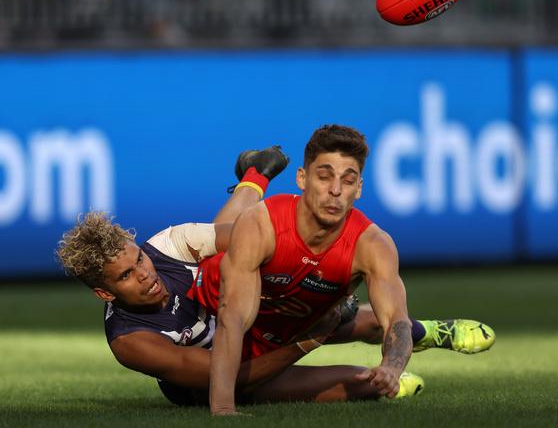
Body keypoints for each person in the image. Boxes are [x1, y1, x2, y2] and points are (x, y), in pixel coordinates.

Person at [57, 144, 495, 408]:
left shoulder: (165, 246)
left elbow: (248, 232)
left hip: (240, 312)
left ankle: (430, 331)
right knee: (283, 382)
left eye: (139, 260)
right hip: (217, 376)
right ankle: (376, 382)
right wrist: (307, 340)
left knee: (267, 263)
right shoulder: (131, 340)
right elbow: (221, 376)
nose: (145, 275)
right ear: (103, 292)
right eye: (126, 277)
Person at [188, 125, 495, 416]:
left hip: (287, 328)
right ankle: (256, 175)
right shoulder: (262, 224)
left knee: (374, 330)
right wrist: (224, 410)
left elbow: (395, 320)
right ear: (302, 178)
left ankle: (424, 332)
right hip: (211, 318)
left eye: (348, 181)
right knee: (219, 235)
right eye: (324, 177)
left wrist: (390, 368)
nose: (335, 191)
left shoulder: (372, 244)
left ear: (359, 188)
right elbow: (232, 318)